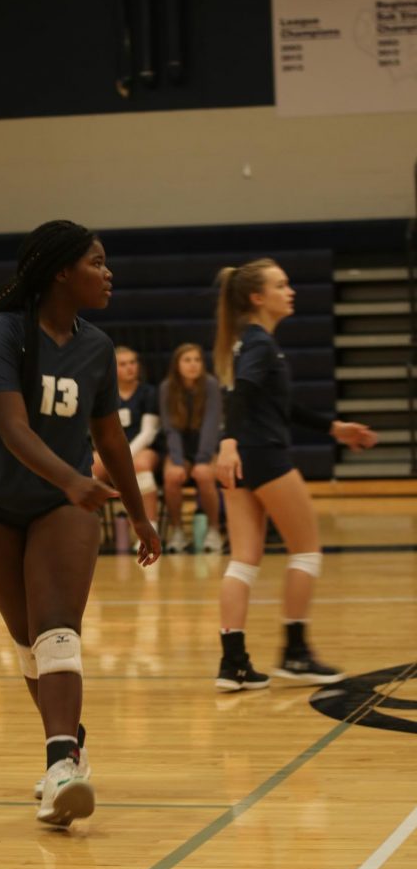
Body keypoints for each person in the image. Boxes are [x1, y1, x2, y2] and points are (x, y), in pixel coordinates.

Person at [0, 220, 161, 828]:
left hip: (63, 506)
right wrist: (71, 476)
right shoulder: (2, 333)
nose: (108, 272)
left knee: (57, 627)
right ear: (62, 270)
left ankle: (62, 767)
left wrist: (139, 514)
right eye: (97, 262)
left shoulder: (97, 347)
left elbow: (110, 436)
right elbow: (12, 429)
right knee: (28, 644)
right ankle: (71, 740)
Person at [213, 258, 377, 690]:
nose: (292, 291)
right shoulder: (260, 344)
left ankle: (234, 664)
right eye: (281, 285)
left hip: (244, 457)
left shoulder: (249, 343)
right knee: (306, 550)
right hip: (262, 455)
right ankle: (296, 654)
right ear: (257, 297)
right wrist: (228, 442)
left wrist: (333, 428)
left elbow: (277, 406)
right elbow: (244, 396)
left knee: (244, 560)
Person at [92, 345, 160, 549]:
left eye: (133, 363)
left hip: (142, 449)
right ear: (113, 368)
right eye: (123, 364)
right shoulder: (103, 392)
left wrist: (121, 457)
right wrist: (111, 457)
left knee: (141, 464)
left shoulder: (149, 392)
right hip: (111, 451)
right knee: (91, 466)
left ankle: (150, 534)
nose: (130, 368)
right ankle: (88, 530)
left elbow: (148, 433)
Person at [159, 343, 223, 553]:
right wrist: (178, 462)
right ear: (177, 365)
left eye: (197, 360)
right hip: (180, 448)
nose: (193, 365)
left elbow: (211, 425)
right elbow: (170, 429)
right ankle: (177, 531)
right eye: (187, 360)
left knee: (204, 475)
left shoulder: (211, 385)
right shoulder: (167, 387)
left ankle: (214, 530)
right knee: (171, 476)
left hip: (205, 446)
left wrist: (203, 459)